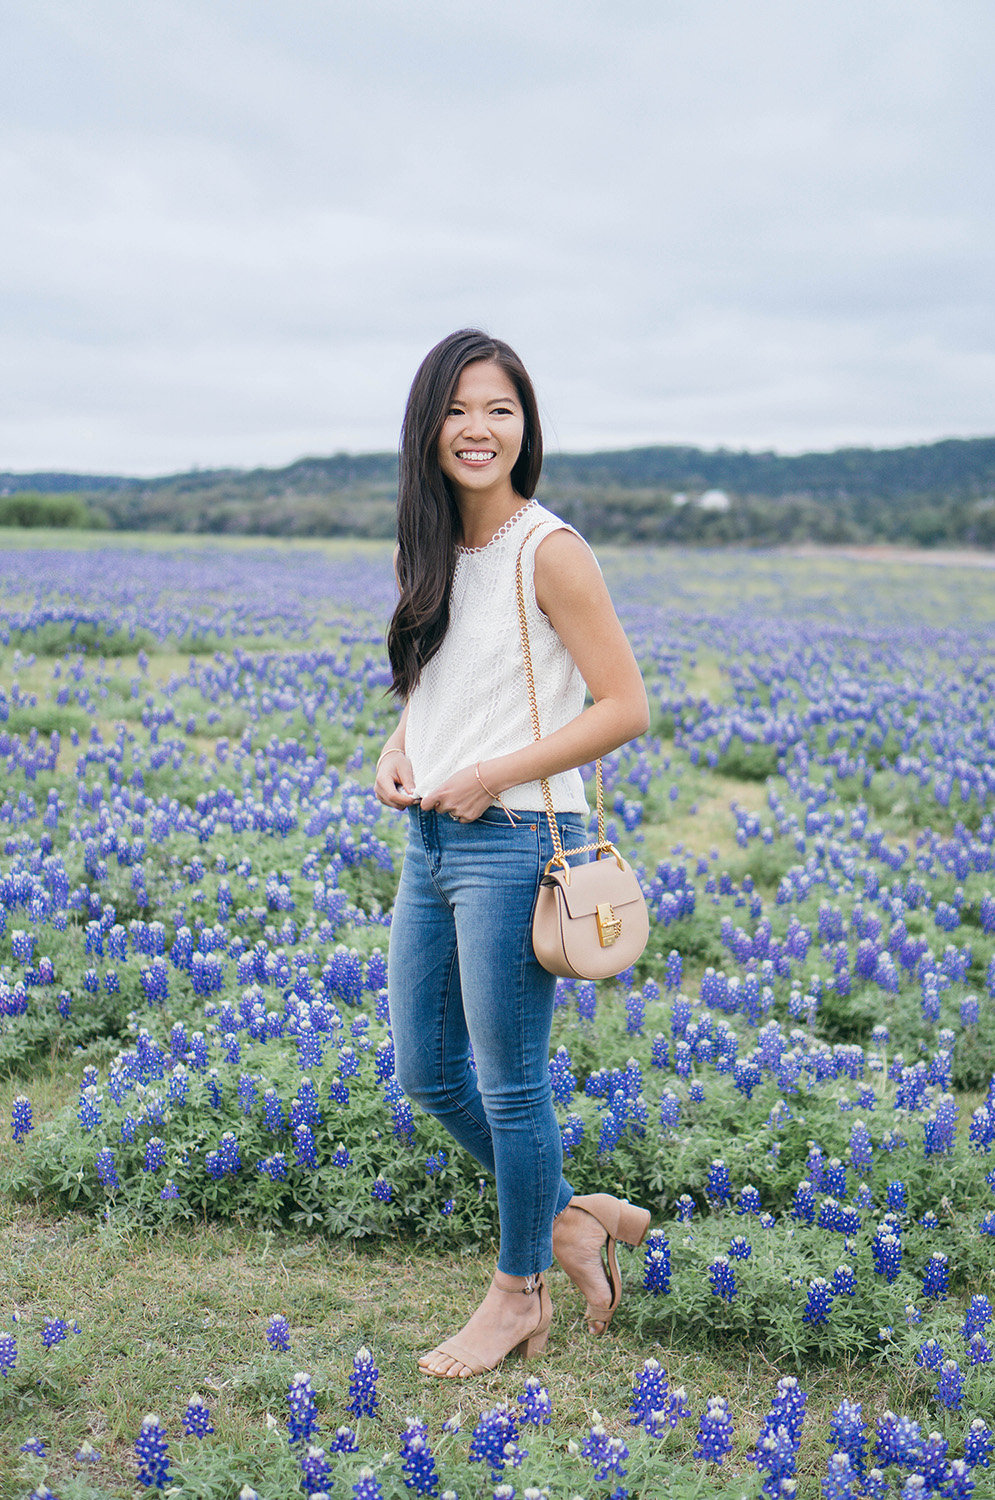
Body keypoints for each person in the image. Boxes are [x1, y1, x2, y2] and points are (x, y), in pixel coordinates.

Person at [374, 329, 651, 1379]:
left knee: (507, 1086)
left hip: (520, 838)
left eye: (499, 410)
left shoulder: (552, 548)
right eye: (457, 410)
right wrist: (397, 749)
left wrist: (492, 774)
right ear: (427, 427)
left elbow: (624, 707)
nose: (478, 429)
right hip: (430, 835)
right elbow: (428, 688)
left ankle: (517, 1293)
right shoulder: (427, 543)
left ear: (524, 426)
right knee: (426, 1074)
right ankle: (573, 1217)